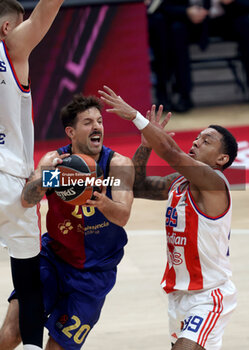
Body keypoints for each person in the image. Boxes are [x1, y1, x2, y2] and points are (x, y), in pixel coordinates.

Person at [98, 85, 237, 350]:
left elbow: (172, 154)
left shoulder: (215, 183)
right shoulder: (179, 182)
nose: (196, 142)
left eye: (206, 141)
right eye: (197, 137)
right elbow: (137, 186)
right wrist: (146, 146)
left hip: (209, 294)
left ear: (222, 158)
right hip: (179, 295)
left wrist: (136, 118)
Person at [0, 94, 134, 350]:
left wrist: (100, 199)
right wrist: (49, 176)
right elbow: (28, 200)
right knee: (12, 332)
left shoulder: (118, 164)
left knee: (57, 347)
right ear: (71, 132)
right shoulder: (55, 160)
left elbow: (123, 215)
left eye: (99, 121)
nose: (97, 127)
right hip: (53, 260)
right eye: (88, 122)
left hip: (94, 275)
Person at [0, 1, 64, 349]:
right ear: (8, 28)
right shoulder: (11, 49)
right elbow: (47, 9)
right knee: (27, 283)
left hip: (16, 180)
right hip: (13, 181)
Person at [147, 0, 249, 112]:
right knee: (176, 30)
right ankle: (183, 95)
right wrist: (186, 11)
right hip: (190, 22)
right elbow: (161, 7)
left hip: (227, 18)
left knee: (246, 24)